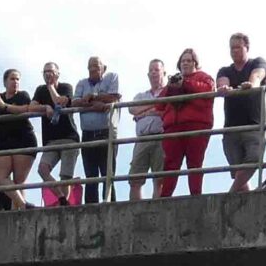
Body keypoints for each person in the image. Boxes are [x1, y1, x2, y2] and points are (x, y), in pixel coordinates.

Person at [159, 47, 218, 199]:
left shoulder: (204, 77)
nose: (185, 63)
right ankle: (164, 198)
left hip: (196, 126)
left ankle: (196, 197)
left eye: (188, 60)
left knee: (195, 163)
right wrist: (171, 87)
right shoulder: (172, 82)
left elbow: (208, 91)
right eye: (182, 61)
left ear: (195, 63)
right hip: (173, 129)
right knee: (170, 166)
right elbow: (159, 104)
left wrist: (186, 84)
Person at [216, 32, 266, 191]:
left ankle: (230, 195)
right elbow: (222, 82)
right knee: (239, 171)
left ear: (247, 48)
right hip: (231, 129)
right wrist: (224, 88)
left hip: (253, 126)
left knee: (253, 159)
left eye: (238, 47)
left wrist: (251, 84)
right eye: (232, 48)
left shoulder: (257, 62)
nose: (234, 51)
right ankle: (246, 198)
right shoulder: (225, 70)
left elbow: (258, 75)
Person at [0, 69, 38, 205]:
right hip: (5, 142)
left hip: (23, 140)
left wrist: (5, 106)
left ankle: (19, 212)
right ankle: (24, 206)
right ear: (5, 82)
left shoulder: (22, 95)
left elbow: (26, 109)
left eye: (18, 79)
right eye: (12, 79)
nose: (16, 82)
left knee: (19, 182)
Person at [76, 56, 122, 203]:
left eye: (96, 66)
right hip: (87, 134)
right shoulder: (81, 83)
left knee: (108, 173)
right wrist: (96, 105)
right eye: (90, 66)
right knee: (90, 175)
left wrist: (93, 97)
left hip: (106, 132)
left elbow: (114, 97)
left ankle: (110, 205)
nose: (93, 69)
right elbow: (75, 102)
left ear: (104, 68)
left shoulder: (112, 77)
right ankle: (90, 207)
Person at [33, 62, 81, 205]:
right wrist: (45, 106)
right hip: (51, 140)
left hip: (69, 138)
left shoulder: (66, 87)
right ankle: (61, 198)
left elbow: (59, 101)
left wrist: (50, 87)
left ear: (58, 74)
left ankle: (63, 205)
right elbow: (32, 106)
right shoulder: (40, 90)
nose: (48, 74)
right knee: (42, 169)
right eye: (45, 72)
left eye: (51, 72)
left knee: (65, 177)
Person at [128, 58, 169, 199]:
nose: (153, 73)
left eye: (156, 70)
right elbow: (132, 109)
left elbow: (168, 110)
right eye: (151, 70)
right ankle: (134, 210)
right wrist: (155, 106)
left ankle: (158, 209)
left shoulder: (169, 92)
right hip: (142, 139)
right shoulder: (140, 96)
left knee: (160, 179)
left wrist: (145, 112)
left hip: (161, 137)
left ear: (164, 72)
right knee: (135, 179)